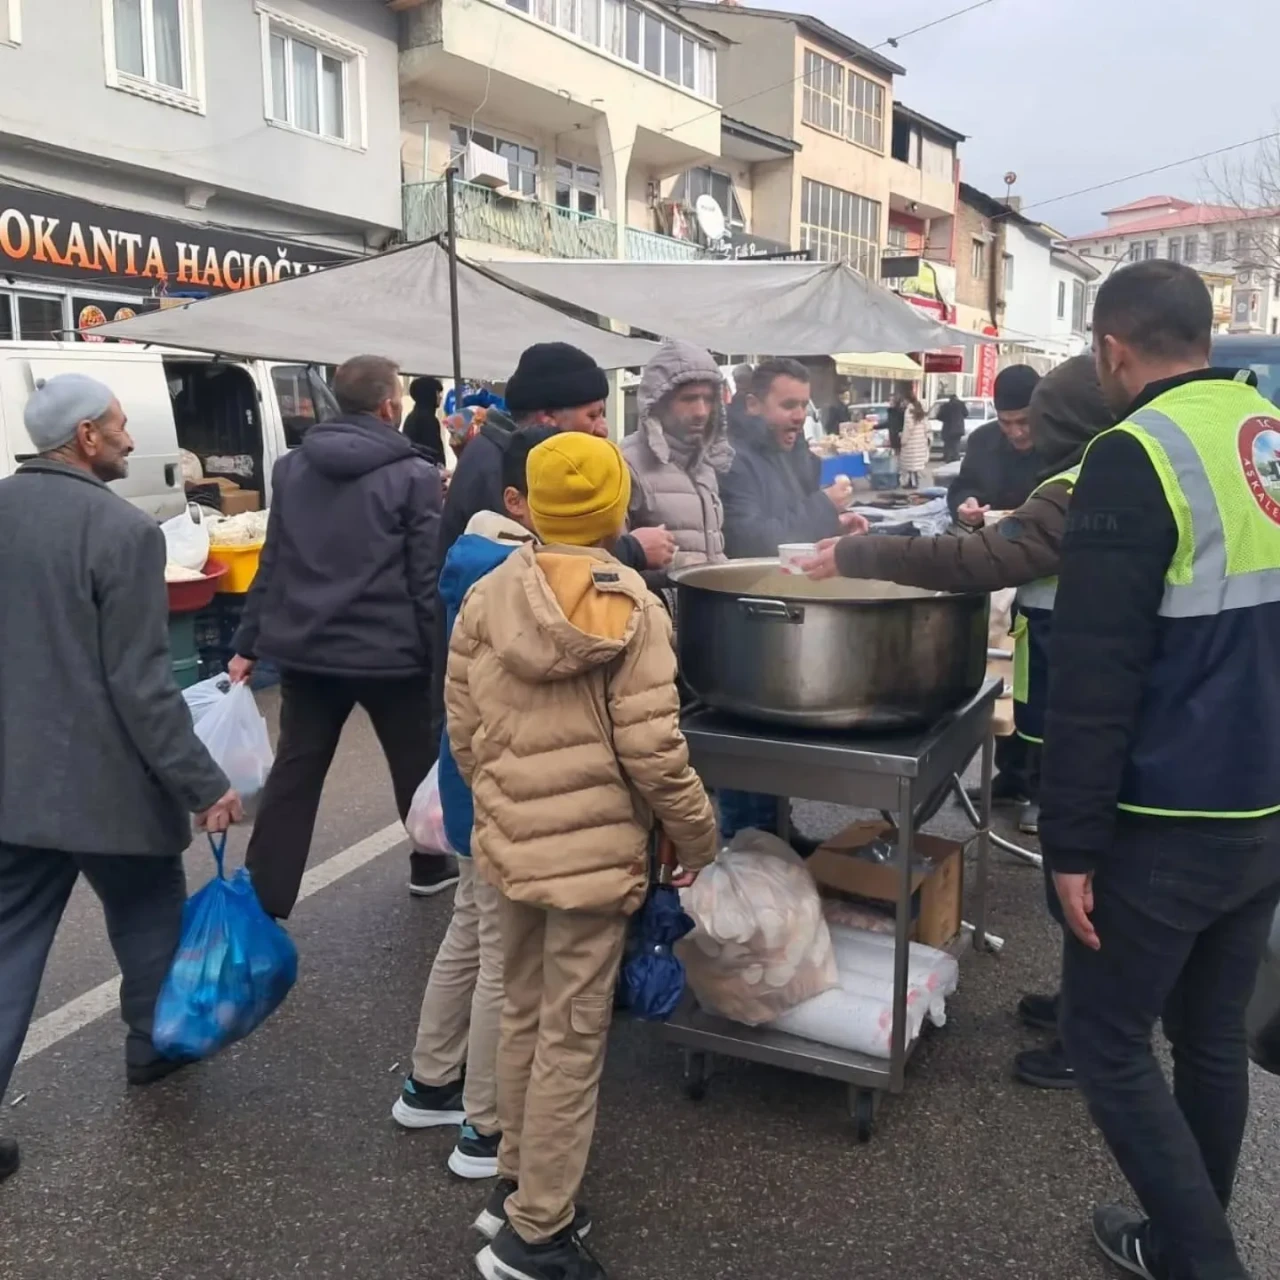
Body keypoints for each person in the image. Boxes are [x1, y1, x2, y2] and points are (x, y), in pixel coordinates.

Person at [1041, 260, 1280, 1279]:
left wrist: (1070, 845)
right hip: (1262, 807)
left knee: (1103, 1040)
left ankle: (1203, 1259)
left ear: (1111, 348)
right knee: (1209, 1035)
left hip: (1164, 815)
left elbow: (1094, 673)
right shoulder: (1263, 436)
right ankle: (1180, 1246)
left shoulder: (1130, 454)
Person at [798, 355, 1115, 1092]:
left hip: (1095, 681)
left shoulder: (1091, 483)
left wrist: (857, 551)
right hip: (1075, 672)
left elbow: (986, 557)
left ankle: (1095, 1031)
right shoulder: (1103, 473)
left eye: (1041, 426)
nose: (1026, 436)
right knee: (1084, 855)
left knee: (1092, 863)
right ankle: (1084, 1008)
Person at [446, 432, 719, 1280]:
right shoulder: (635, 604)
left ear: (531, 502)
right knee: (571, 1034)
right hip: (596, 858)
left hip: (509, 844)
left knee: (524, 1017)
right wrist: (698, 833)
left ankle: (516, 1185)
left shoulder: (488, 592)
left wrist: (505, 807)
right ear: (614, 510)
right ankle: (537, 1234)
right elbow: (654, 751)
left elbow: (463, 731)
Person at [0, 374, 242, 1180]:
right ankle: (154, 1046)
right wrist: (203, 784)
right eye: (118, 426)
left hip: (13, 781)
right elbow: (142, 684)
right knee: (147, 915)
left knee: (7, 949)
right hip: (108, 781)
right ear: (84, 438)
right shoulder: (123, 531)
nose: (132, 440)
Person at [229, 355, 450, 914]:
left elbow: (272, 560)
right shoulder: (415, 476)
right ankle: (429, 863)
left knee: (295, 775)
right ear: (388, 406)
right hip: (391, 653)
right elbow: (426, 579)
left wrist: (246, 644)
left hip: (305, 649)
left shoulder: (291, 468)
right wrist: (442, 661)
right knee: (415, 763)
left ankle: (265, 897)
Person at [393, 427, 554, 1182]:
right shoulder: (515, 576)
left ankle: (430, 1083)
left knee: (470, 931)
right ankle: (486, 1130)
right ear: (519, 498)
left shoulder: (472, 555)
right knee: (504, 959)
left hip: (466, 792)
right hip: (499, 793)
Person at [438, 342, 674, 575]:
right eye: (592, 415)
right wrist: (632, 550)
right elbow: (536, 571)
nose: (603, 429)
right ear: (547, 417)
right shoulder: (501, 466)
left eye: (602, 413)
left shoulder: (509, 452)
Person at [720, 358, 861, 559]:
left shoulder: (794, 452)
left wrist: (836, 524)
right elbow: (749, 542)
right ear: (753, 405)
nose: (800, 416)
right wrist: (825, 505)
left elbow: (792, 518)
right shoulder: (732, 460)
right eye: (789, 405)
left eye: (804, 405)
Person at [622, 339, 732, 577]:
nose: (701, 411)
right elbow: (610, 564)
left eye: (708, 399)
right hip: (657, 611)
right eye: (689, 399)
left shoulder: (705, 466)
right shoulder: (625, 465)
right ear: (659, 402)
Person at [946, 364, 1043, 526]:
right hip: (991, 541)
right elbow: (964, 486)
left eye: (1024, 422)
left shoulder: (1060, 440)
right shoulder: (981, 440)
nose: (1016, 433)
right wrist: (966, 503)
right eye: (1005, 422)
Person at [403, 376, 446, 466]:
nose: (440, 397)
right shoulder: (427, 420)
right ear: (430, 394)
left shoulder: (413, 417)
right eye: (438, 393)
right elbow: (433, 451)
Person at [898, 394, 931, 489]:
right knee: (916, 465)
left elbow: (909, 428)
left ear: (907, 400)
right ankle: (914, 482)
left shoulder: (909, 411)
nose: (903, 403)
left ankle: (912, 483)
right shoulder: (920, 409)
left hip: (911, 442)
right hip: (920, 441)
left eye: (904, 401)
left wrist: (903, 439)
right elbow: (926, 426)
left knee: (911, 465)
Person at [937, 391, 968, 463]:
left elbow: (939, 416)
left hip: (948, 428)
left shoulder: (946, 406)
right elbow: (966, 414)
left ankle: (947, 457)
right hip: (959, 428)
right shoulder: (961, 405)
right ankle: (955, 457)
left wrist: (945, 419)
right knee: (956, 442)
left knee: (948, 443)